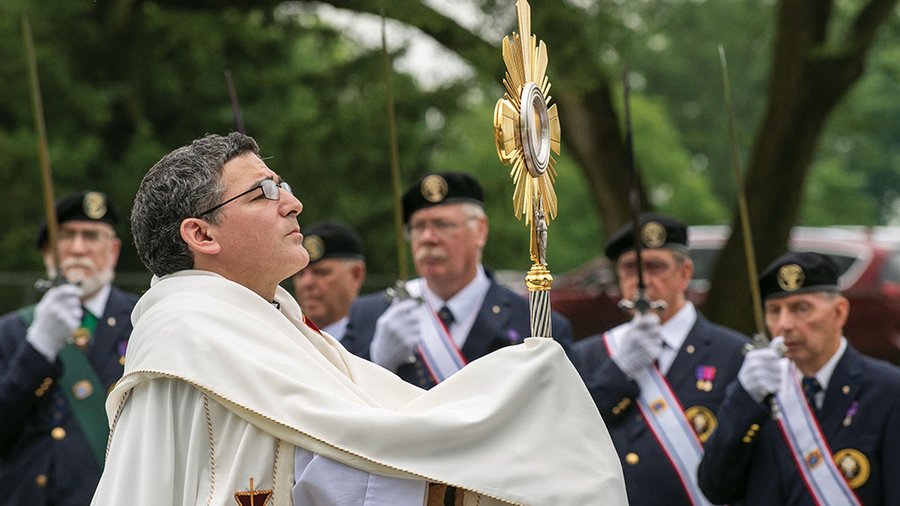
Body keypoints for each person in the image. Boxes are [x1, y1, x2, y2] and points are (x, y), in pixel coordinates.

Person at [91, 132, 627, 506]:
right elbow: (338, 468)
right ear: (202, 235)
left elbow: (362, 437)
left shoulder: (264, 320)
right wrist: (513, 420)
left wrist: (518, 408)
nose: (294, 203)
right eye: (266, 192)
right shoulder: (197, 330)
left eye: (286, 186)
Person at [572, 213, 748, 506]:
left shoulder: (733, 354)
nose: (641, 281)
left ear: (685, 273)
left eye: (655, 267)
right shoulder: (590, 354)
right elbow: (570, 437)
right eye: (630, 268)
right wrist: (617, 372)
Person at [698, 251, 900, 505]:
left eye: (800, 309)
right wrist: (744, 399)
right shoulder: (756, 388)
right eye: (774, 311)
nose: (784, 324)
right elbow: (715, 487)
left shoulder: (888, 391)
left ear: (839, 312)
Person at [342, 172, 573, 389]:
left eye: (443, 225)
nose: (427, 238)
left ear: (480, 231)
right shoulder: (368, 316)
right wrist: (377, 362)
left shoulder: (536, 325)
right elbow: (339, 408)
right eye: (418, 227)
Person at [0, 191, 137, 506]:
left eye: (91, 236)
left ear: (113, 251)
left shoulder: (141, 321)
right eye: (65, 237)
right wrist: (37, 348)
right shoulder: (10, 332)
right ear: (48, 252)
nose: (78, 249)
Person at [292, 221, 366, 341]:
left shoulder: (381, 342)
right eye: (299, 273)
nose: (306, 282)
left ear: (356, 274)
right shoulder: (287, 339)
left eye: (321, 272)